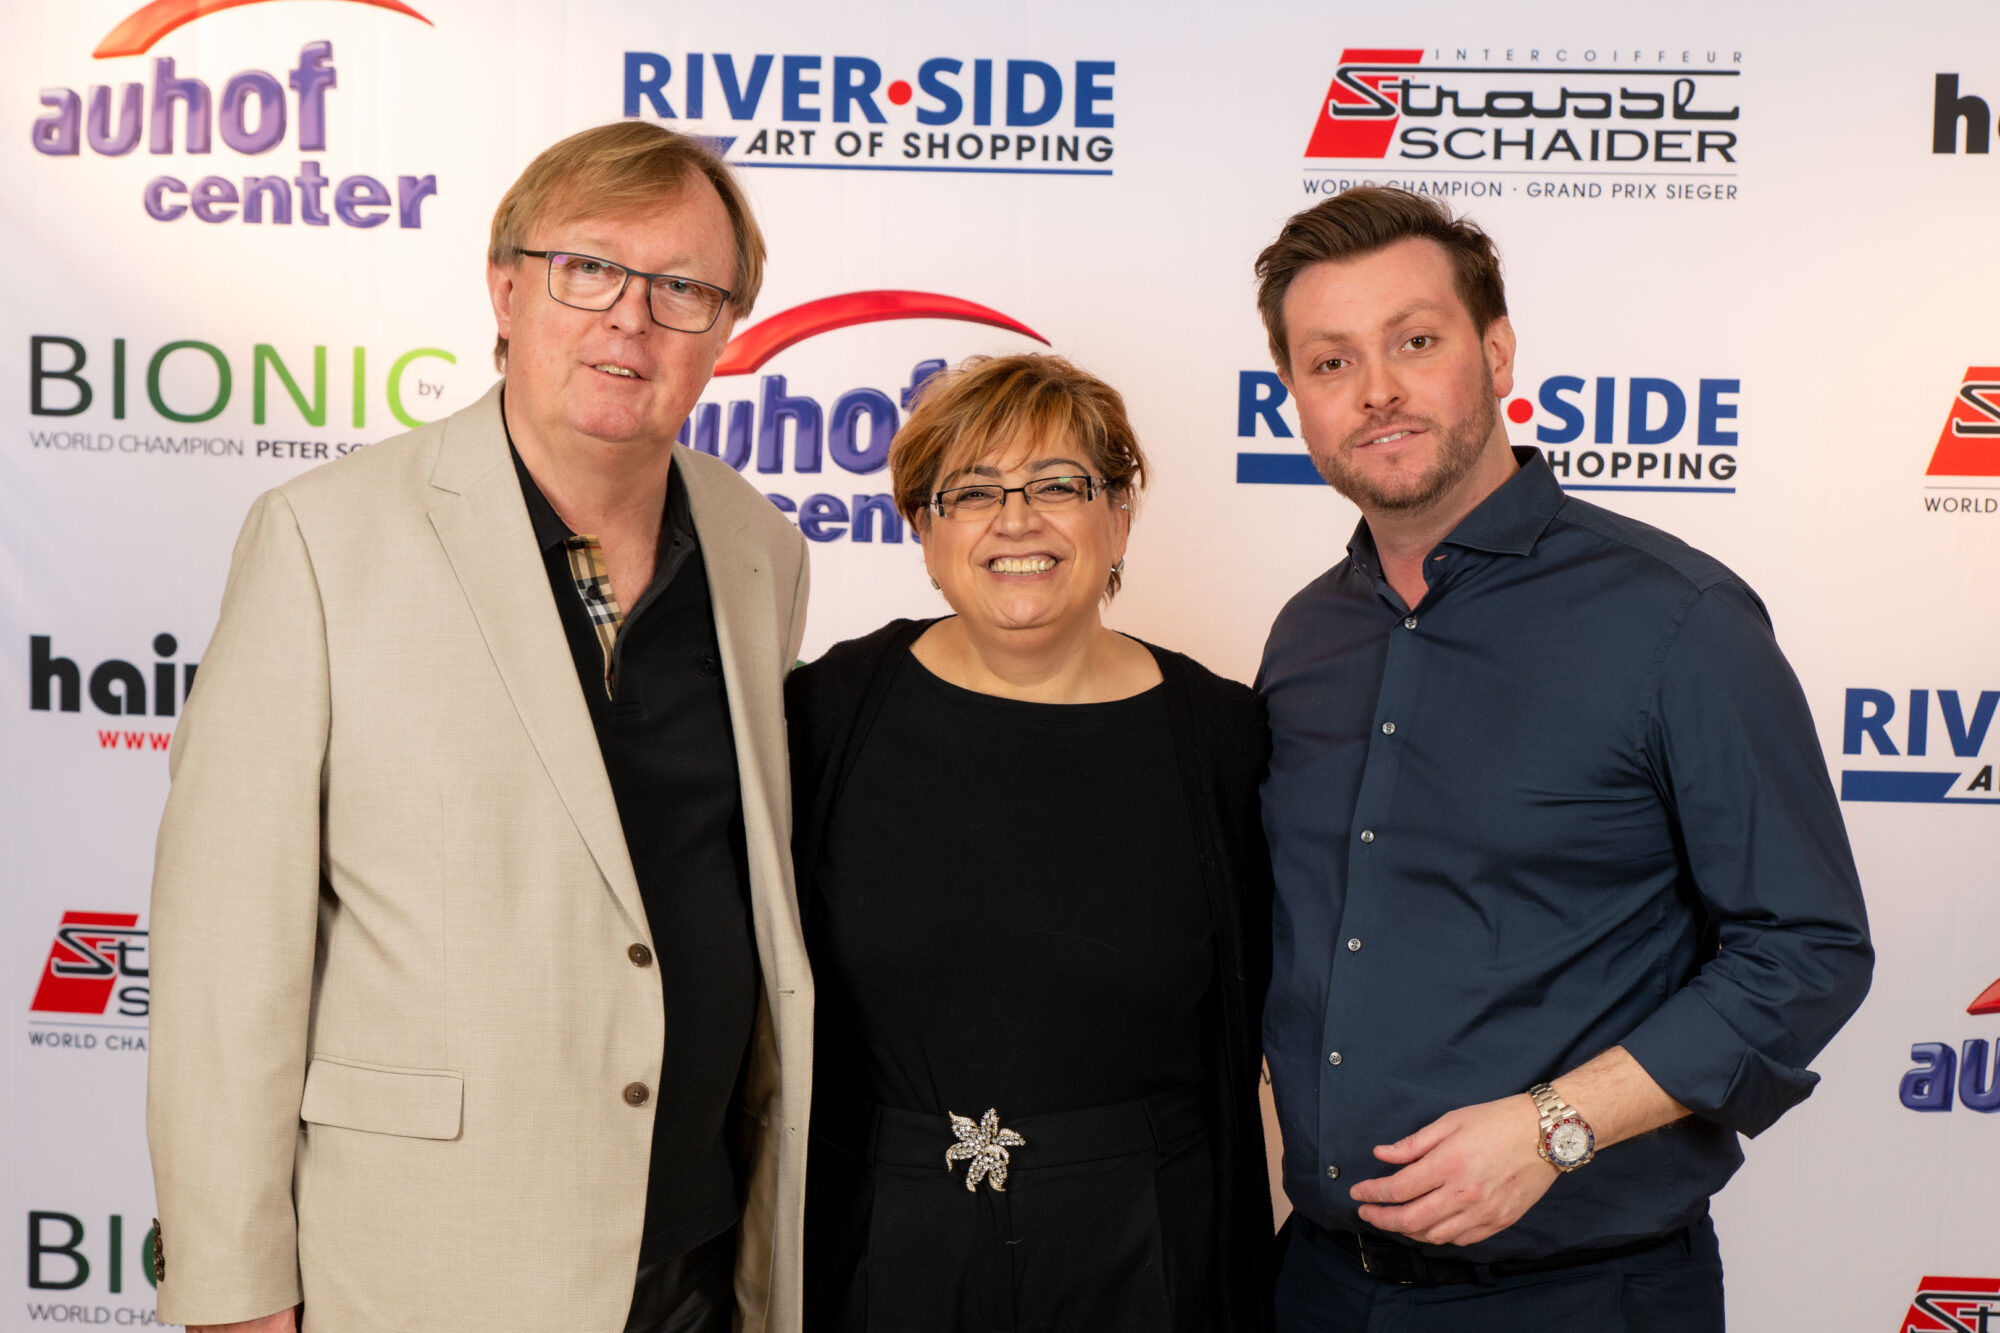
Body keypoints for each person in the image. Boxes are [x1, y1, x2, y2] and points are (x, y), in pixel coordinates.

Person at [146, 123, 812, 1333]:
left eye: (682, 289)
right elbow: (224, 955)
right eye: (588, 268)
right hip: (427, 1264)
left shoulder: (758, 546)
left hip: (698, 1252)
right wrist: (234, 1292)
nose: (630, 319)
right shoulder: (322, 539)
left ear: (725, 331)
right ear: (505, 289)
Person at [1251, 187, 1873, 1331]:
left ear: (1494, 353)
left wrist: (1552, 1126)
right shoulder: (1304, 637)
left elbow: (1804, 947)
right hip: (1320, 1287)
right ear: (1294, 396)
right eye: (1329, 361)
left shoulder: (1674, 619)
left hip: (1579, 1297)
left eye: (1413, 342)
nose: (1374, 388)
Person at [785, 353, 1276, 1332]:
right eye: (972, 492)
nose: (1016, 520)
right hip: (875, 1244)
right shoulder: (823, 715)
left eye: (1057, 485)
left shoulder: (1225, 739)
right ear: (924, 532)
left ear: (1117, 518)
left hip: (1146, 1252)